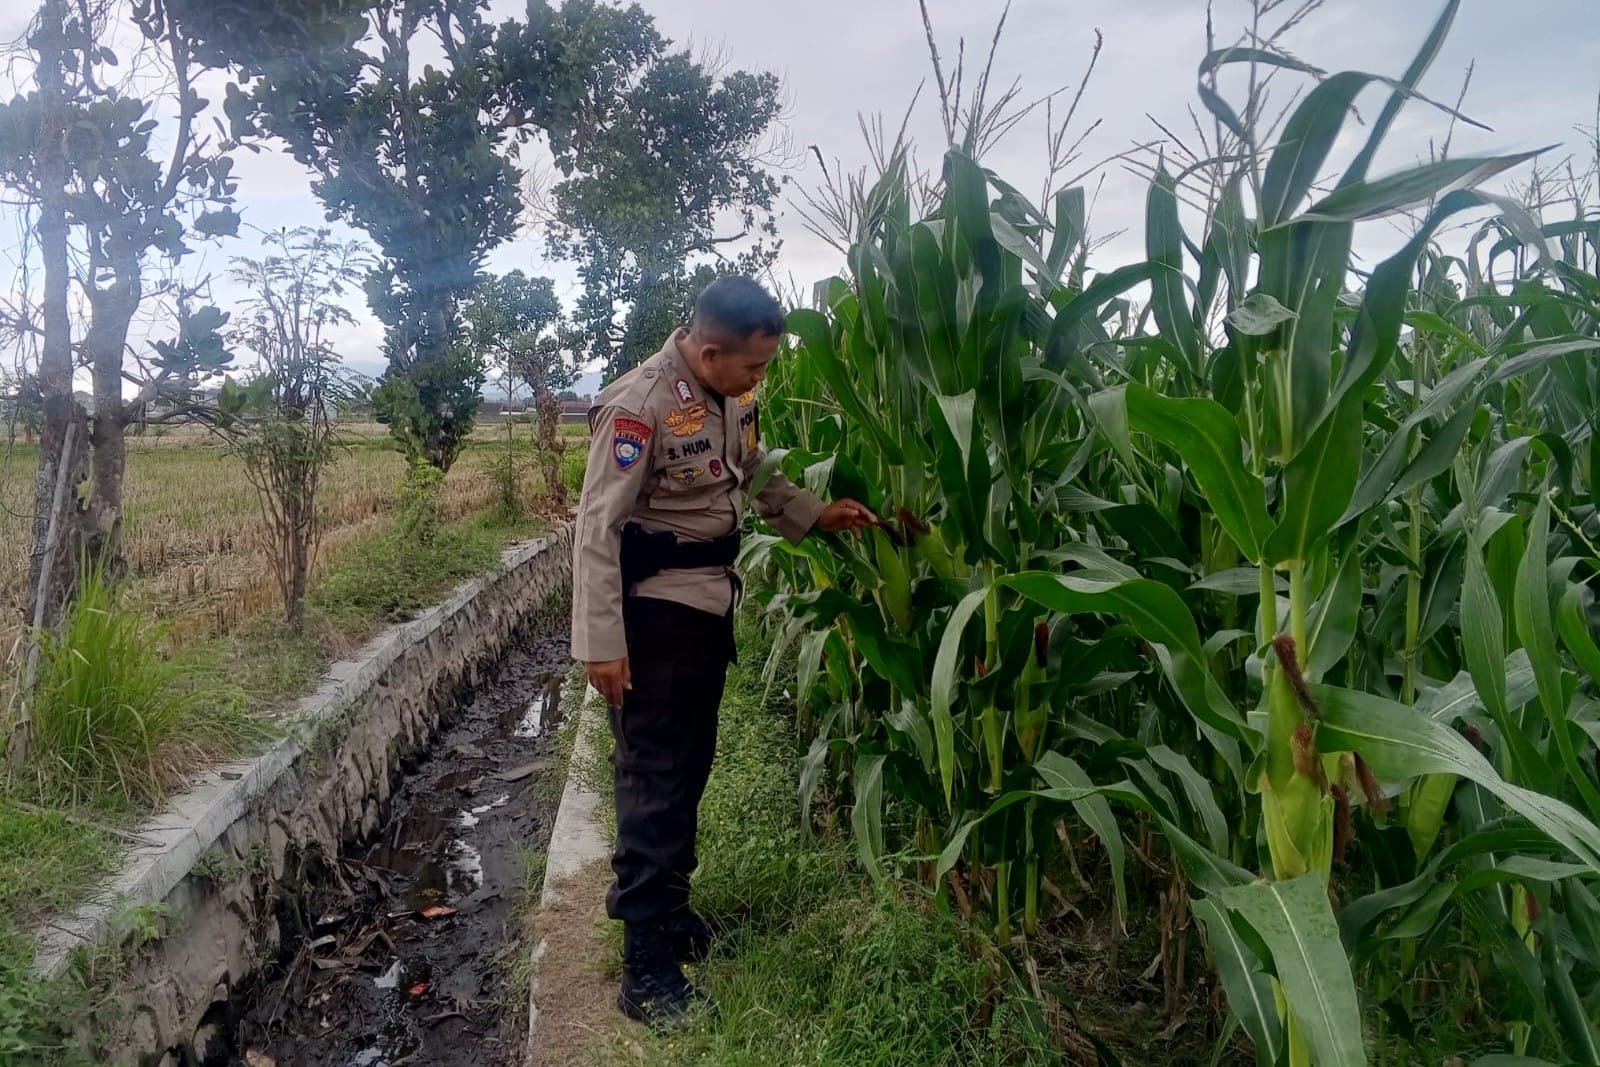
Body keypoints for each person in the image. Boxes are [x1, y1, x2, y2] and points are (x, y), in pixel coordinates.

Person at [569, 276, 876, 1028]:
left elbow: (754, 466)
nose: (759, 380)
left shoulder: (728, 395)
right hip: (653, 619)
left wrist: (814, 513)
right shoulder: (639, 407)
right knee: (655, 782)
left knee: (689, 771)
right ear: (709, 352)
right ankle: (646, 969)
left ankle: (671, 917)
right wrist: (601, 646)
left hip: (707, 608)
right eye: (754, 367)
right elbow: (594, 529)